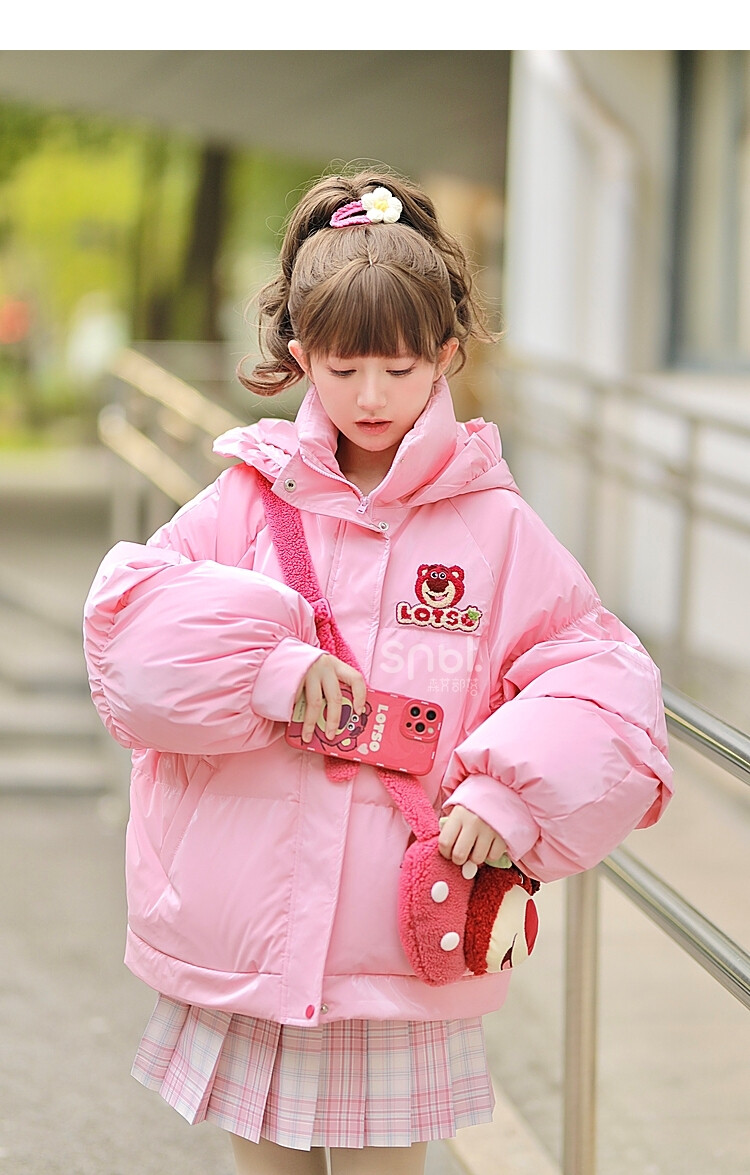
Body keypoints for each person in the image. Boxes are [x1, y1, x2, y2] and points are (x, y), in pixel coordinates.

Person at [83, 169, 673, 1175]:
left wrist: (509, 792)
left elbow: (603, 674)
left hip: (396, 937)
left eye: (398, 370)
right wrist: (266, 664)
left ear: (445, 356)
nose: (369, 397)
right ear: (300, 352)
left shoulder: (494, 524)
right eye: (344, 367)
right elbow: (131, 637)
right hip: (255, 931)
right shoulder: (243, 501)